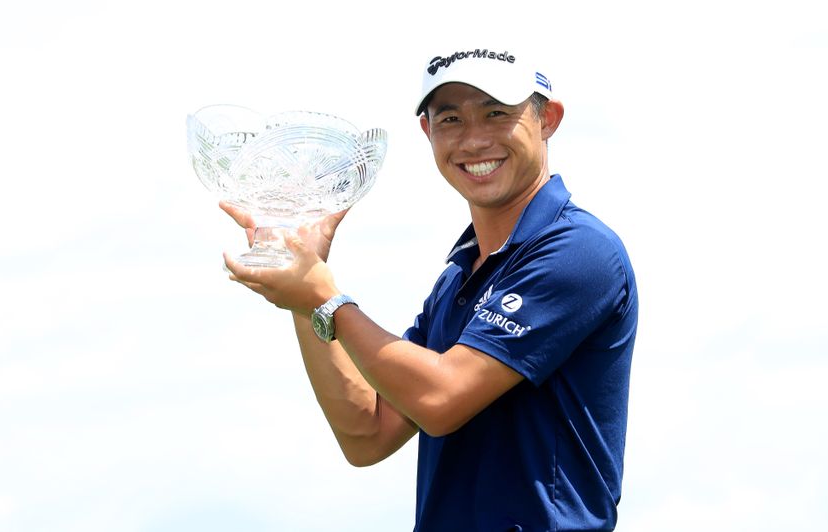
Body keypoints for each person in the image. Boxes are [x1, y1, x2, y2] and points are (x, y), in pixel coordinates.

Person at [221, 46, 639, 532]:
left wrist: (324, 298)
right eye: (450, 119)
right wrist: (304, 293)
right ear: (427, 132)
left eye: (497, 113)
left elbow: (441, 399)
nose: (474, 140)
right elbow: (367, 432)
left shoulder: (579, 250)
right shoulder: (459, 278)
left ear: (549, 119)